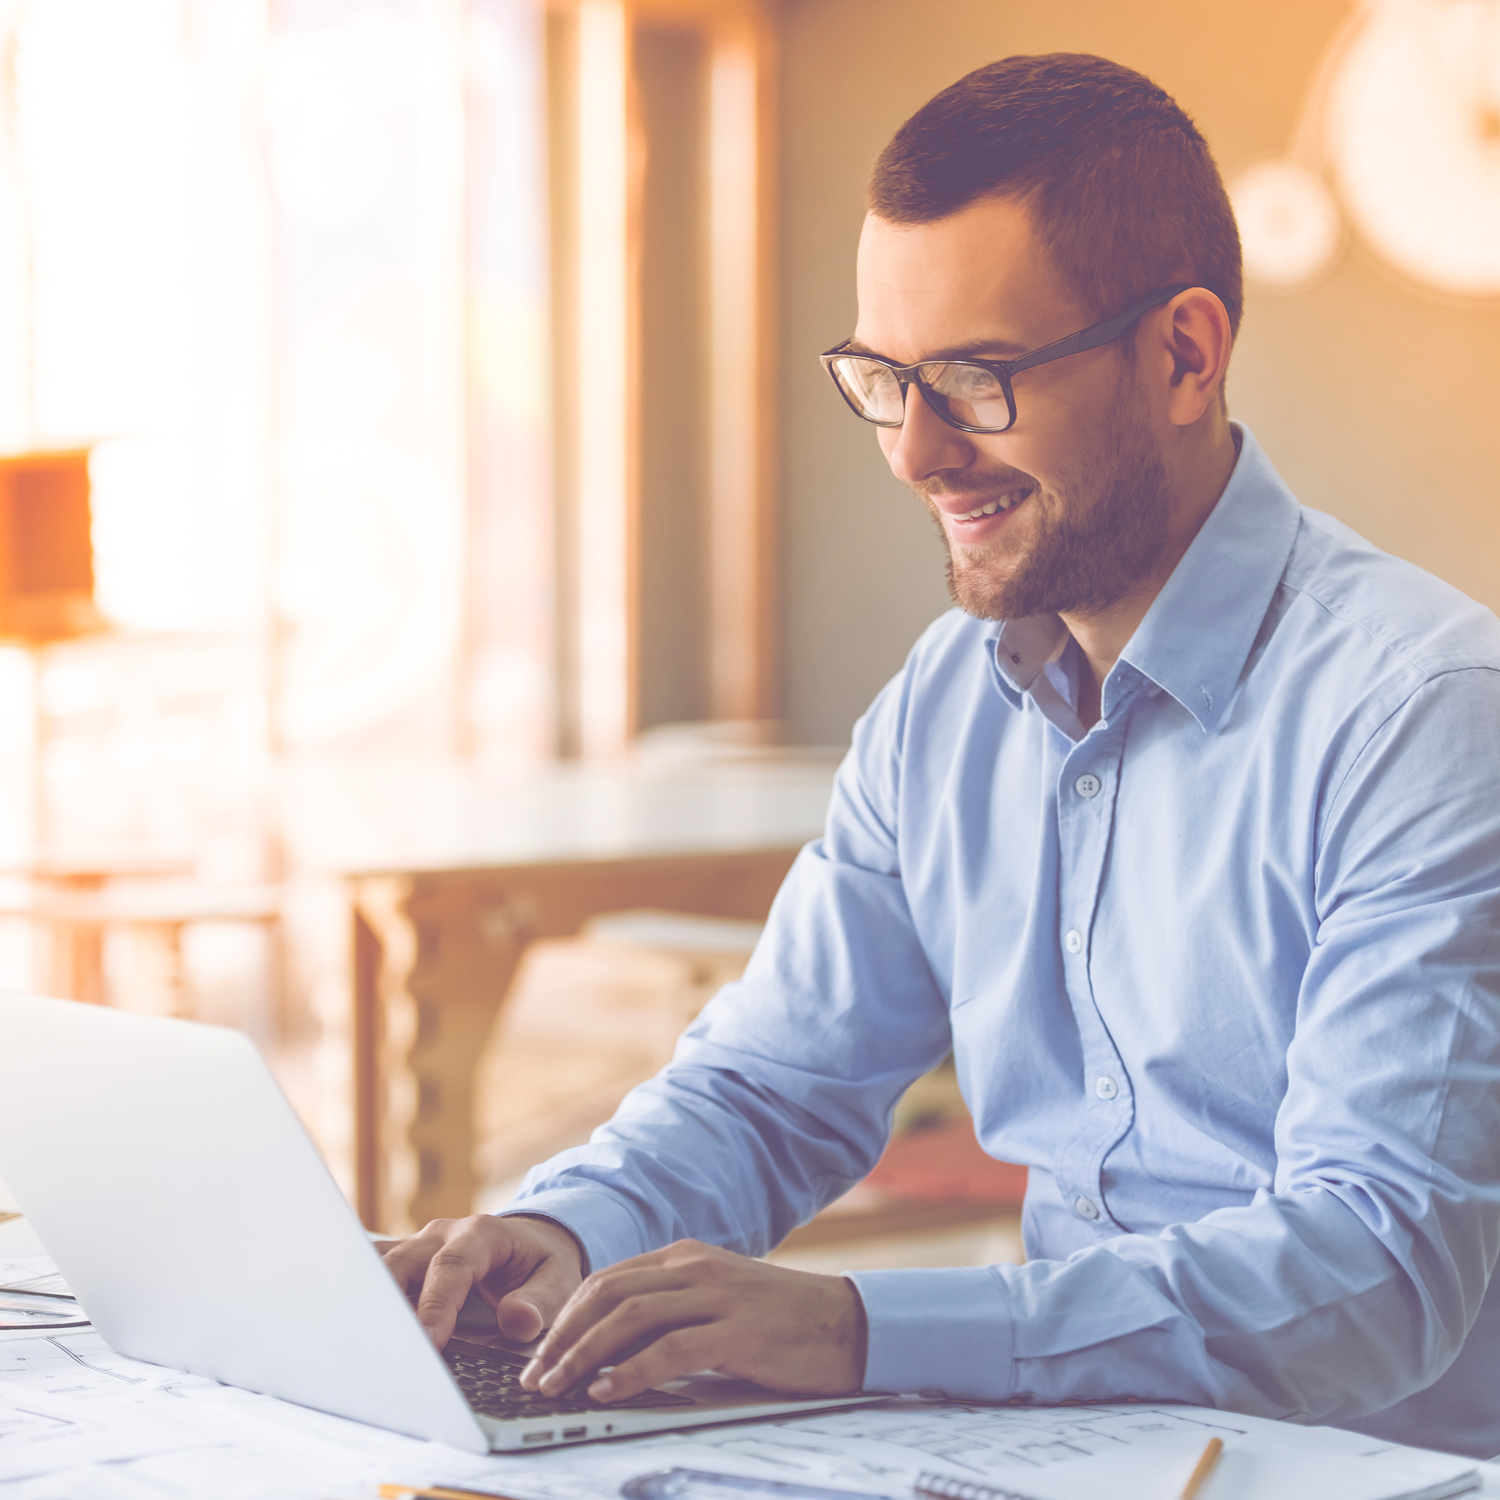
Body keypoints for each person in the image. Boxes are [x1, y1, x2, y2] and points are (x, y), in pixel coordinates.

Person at [382, 53, 1500, 1458]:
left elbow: (1378, 1270)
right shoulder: (944, 702)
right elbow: (773, 1085)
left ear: (1185, 354)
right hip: (1052, 1455)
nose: (916, 452)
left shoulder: (1424, 716)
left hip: (1365, 1472)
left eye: (975, 378)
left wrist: (855, 1330)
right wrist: (563, 1230)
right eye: (884, 377)